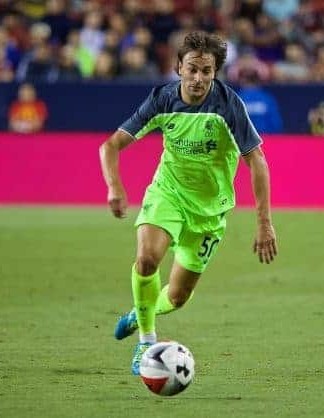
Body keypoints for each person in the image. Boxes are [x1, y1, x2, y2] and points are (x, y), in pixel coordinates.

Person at [99, 31, 277, 375]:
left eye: (206, 71)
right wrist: (114, 186)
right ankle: (146, 344)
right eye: (192, 69)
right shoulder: (162, 100)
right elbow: (109, 146)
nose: (198, 78)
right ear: (178, 67)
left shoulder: (228, 106)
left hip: (210, 211)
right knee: (147, 259)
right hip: (168, 194)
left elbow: (257, 161)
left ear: (215, 73)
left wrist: (264, 222)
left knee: (178, 297)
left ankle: (140, 312)